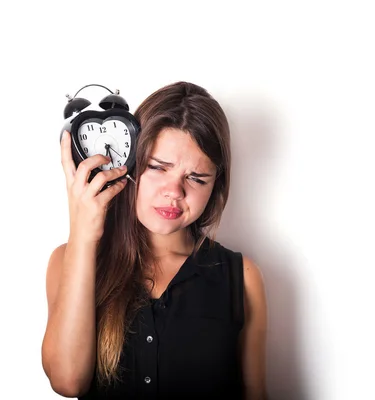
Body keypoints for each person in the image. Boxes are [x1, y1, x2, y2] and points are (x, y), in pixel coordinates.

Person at [41, 81, 268, 399]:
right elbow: (67, 381)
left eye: (196, 178)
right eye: (158, 168)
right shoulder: (69, 261)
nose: (174, 191)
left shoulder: (242, 277)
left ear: (216, 184)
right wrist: (83, 233)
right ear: (128, 160)